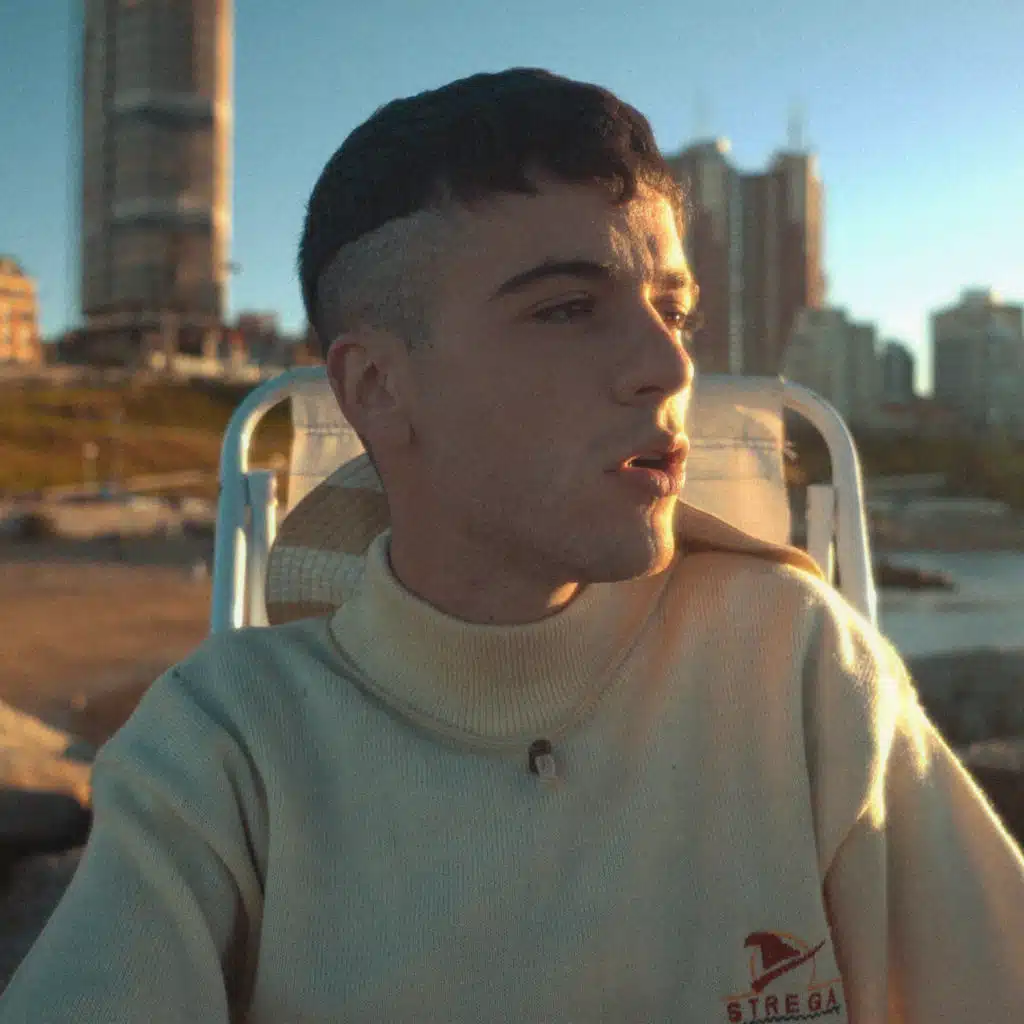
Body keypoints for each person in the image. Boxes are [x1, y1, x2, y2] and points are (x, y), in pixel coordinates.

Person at [2, 68, 1022, 1024]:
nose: (669, 365)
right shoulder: (227, 746)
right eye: (567, 308)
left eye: (674, 311)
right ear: (377, 387)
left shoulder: (797, 664)